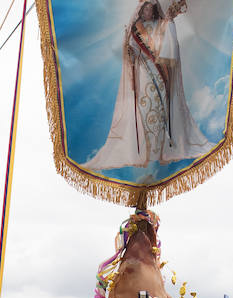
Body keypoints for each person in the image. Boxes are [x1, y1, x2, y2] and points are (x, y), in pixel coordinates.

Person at [88, 1, 212, 172]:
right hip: (143, 72)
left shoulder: (162, 25)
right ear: (140, 10)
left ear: (154, 9)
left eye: (150, 8)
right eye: (145, 8)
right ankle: (148, 151)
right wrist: (130, 52)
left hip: (159, 72)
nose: (147, 11)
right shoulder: (136, 28)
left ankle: (160, 149)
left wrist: (169, 21)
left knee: (160, 107)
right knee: (145, 107)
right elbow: (133, 51)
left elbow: (168, 47)